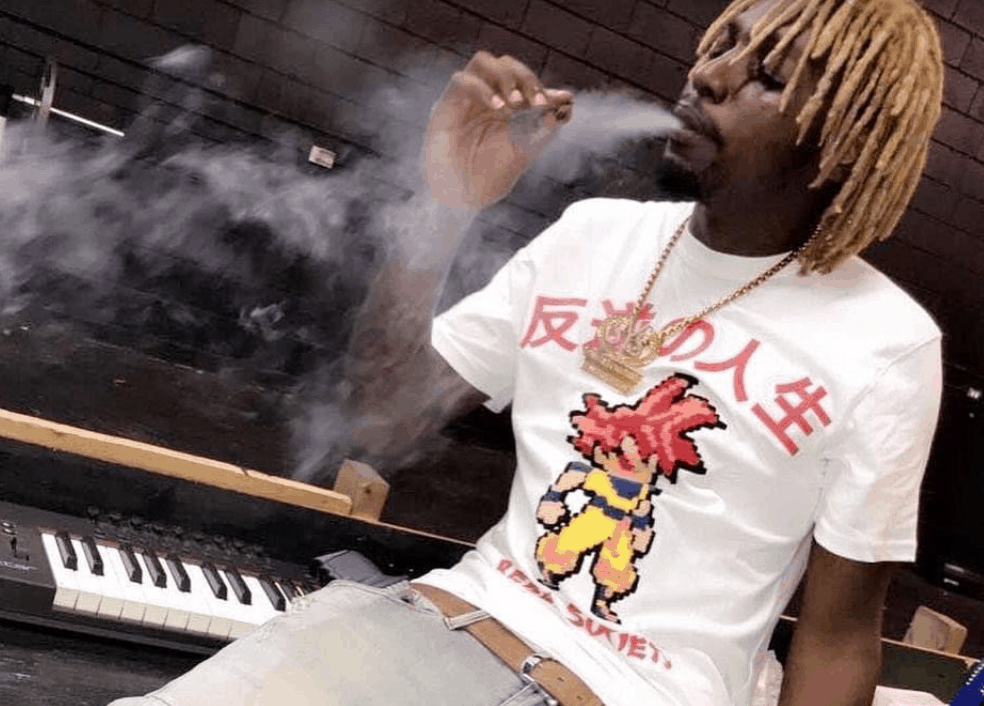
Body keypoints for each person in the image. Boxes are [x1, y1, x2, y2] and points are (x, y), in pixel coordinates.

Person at [109, 0, 945, 705]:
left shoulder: (886, 346)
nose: (711, 75)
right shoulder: (592, 235)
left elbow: (837, 640)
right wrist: (443, 208)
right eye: (723, 43)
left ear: (844, 140)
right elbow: (381, 419)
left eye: (768, 75)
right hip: (426, 627)